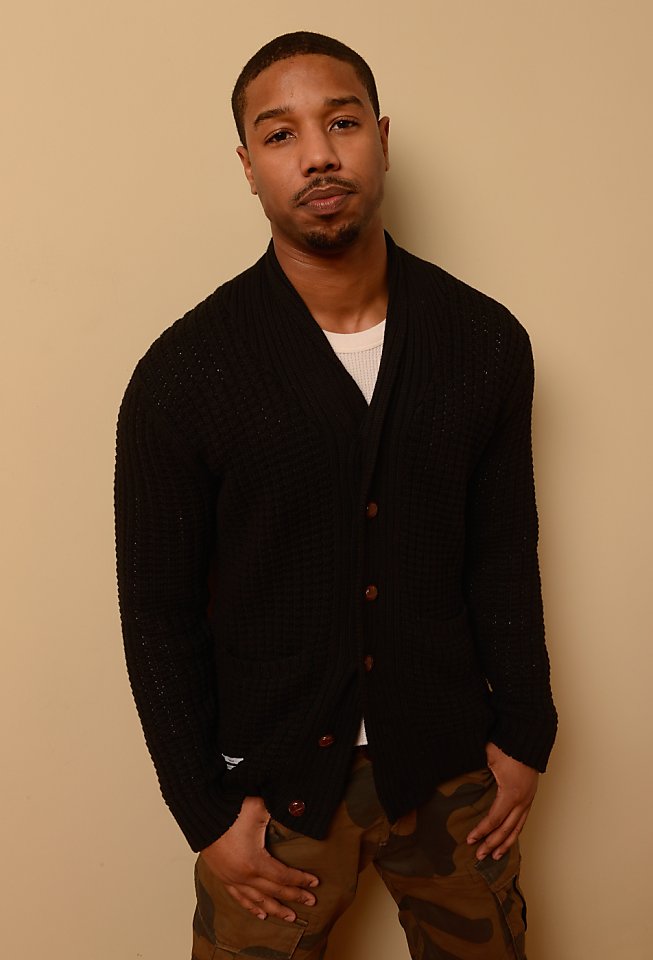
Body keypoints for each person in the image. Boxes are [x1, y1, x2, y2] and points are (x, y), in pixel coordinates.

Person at [114, 31, 557, 960]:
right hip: (270, 792)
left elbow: (502, 556)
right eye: (280, 135)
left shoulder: (482, 342)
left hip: (451, 775)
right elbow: (157, 612)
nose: (317, 154)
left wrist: (525, 734)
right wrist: (203, 812)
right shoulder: (185, 373)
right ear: (248, 166)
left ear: (381, 139)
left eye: (342, 123)